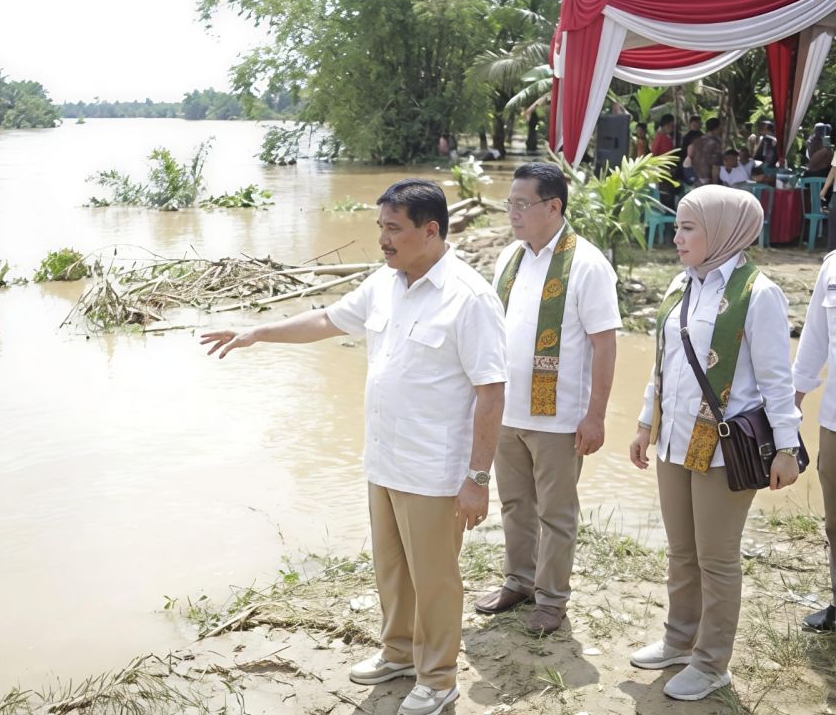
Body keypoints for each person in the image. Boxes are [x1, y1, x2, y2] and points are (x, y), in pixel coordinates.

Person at [200, 179, 507, 715]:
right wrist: (258, 332)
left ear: (429, 231)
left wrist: (477, 479)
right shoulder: (386, 282)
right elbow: (327, 319)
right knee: (391, 568)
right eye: (380, 228)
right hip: (385, 461)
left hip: (435, 470)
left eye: (394, 229)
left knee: (434, 579)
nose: (383, 240)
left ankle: (437, 678)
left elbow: (491, 393)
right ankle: (398, 653)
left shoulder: (470, 297)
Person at [628, 186, 802, 701]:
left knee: (716, 558)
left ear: (724, 230)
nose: (676, 237)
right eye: (678, 226)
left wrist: (788, 448)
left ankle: (711, 663)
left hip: (724, 451)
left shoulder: (759, 292)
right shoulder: (680, 286)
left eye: (688, 228)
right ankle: (680, 640)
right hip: (674, 440)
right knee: (682, 552)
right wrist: (644, 424)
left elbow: (776, 379)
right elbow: (663, 366)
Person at [473, 162, 620, 634]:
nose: (512, 213)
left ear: (553, 207)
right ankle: (518, 581)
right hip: (507, 413)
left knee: (555, 513)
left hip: (559, 418)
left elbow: (604, 343)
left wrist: (595, 415)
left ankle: (552, 600)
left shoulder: (588, 264)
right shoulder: (510, 259)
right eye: (509, 203)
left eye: (522, 204)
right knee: (515, 504)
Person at [793, 249, 836, 632]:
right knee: (835, 519)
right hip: (835, 420)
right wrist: (791, 407)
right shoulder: (833, 266)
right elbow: (813, 342)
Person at [691, 118, 724, 186]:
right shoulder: (715, 143)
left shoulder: (696, 141)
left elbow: (692, 159)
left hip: (697, 179)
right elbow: (715, 165)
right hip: (709, 180)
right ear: (716, 128)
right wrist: (715, 184)